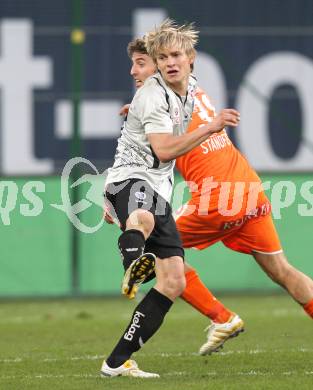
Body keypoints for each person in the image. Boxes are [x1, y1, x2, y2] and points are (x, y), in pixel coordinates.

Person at [115, 33, 313, 357]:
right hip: (248, 190)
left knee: (159, 248)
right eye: (158, 59)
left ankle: (222, 318)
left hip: (219, 198)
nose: (135, 72)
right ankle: (222, 319)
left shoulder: (164, 97)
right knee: (282, 270)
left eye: (141, 63)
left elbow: (161, 150)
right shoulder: (187, 85)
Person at [100, 19, 240, 378]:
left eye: (175, 55)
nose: (170, 62)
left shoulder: (188, 87)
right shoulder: (151, 94)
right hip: (131, 182)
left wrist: (135, 113)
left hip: (155, 189)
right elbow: (162, 151)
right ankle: (132, 261)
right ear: (159, 64)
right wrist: (211, 127)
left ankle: (117, 362)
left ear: (191, 59)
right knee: (142, 218)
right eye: (162, 58)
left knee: (174, 281)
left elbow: (168, 126)